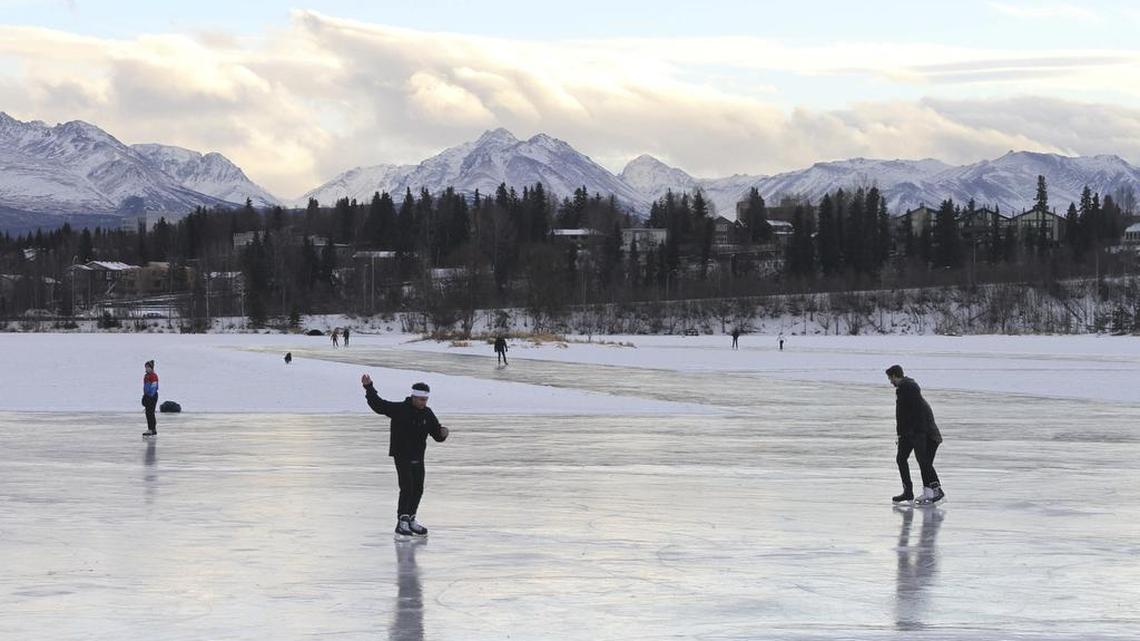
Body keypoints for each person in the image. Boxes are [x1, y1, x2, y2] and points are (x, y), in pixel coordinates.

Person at [362, 375, 449, 537]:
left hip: (418, 455)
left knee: (418, 488)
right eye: (421, 399)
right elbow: (378, 405)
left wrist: (443, 433)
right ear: (414, 397)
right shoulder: (400, 409)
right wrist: (369, 388)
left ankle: (411, 519)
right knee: (407, 487)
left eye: (426, 399)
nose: (424, 402)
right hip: (401, 454)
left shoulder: (427, 414)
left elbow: (437, 434)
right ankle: (402, 521)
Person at [887, 365, 944, 505]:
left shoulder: (909, 388)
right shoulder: (903, 389)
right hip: (909, 432)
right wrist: (901, 434)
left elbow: (918, 413)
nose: (890, 382)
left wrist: (919, 434)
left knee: (924, 462)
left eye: (890, 378)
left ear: (895, 375)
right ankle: (909, 492)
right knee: (902, 459)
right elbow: (904, 415)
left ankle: (936, 491)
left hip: (919, 432)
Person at [141, 360, 159, 436]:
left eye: (148, 367)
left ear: (151, 368)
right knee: (148, 413)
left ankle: (152, 429)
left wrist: (150, 396)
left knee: (150, 413)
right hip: (148, 396)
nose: (147, 368)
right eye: (146, 367)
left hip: (153, 396)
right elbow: (145, 387)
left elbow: (154, 387)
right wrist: (145, 396)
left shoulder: (153, 376)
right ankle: (151, 428)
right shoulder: (146, 376)